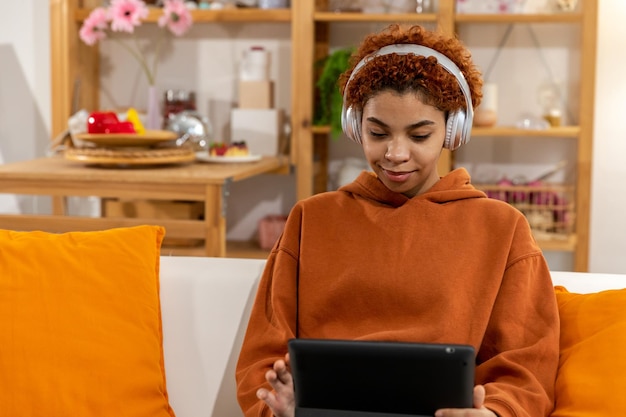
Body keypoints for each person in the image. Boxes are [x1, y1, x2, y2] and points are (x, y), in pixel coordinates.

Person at [235, 23, 559, 417]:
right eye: (378, 133)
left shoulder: (502, 229)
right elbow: (262, 356)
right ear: (355, 126)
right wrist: (278, 406)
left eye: (419, 136)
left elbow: (528, 366)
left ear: (452, 131)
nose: (395, 154)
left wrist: (495, 412)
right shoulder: (310, 219)